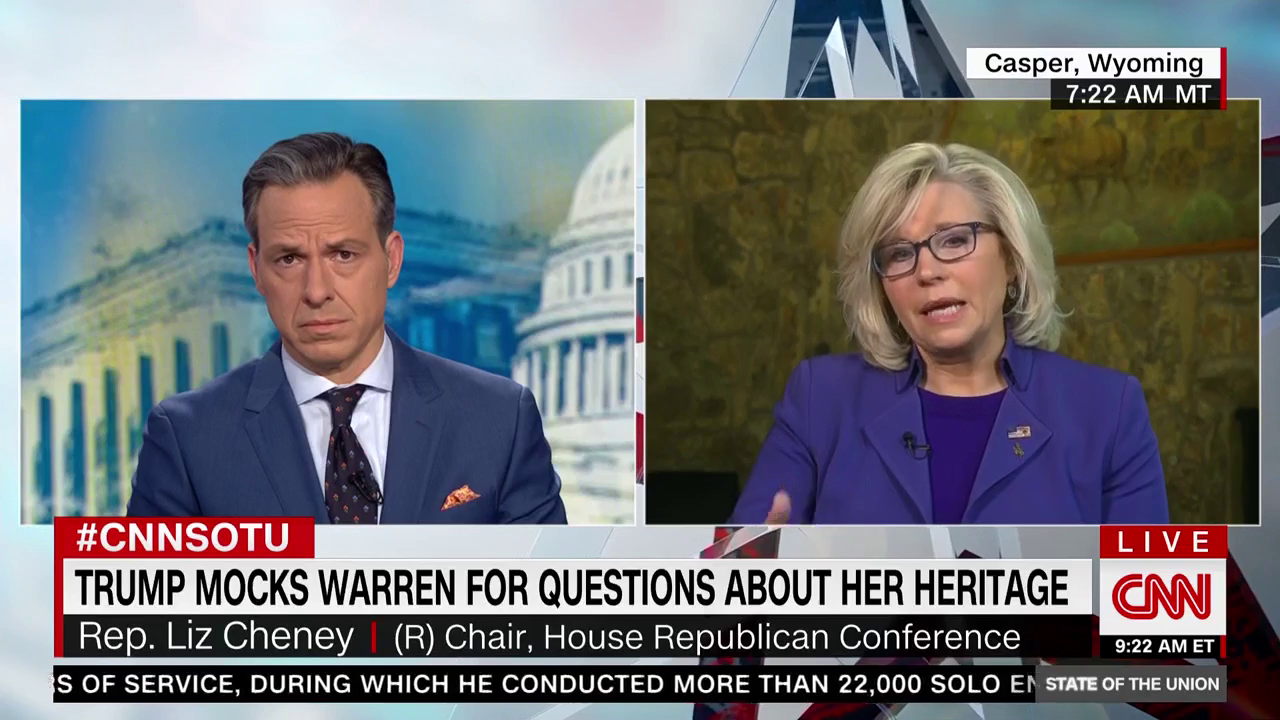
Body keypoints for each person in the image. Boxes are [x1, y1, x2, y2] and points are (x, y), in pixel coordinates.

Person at [127, 132, 567, 524]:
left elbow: (548, 588)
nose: (317, 291)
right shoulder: (187, 440)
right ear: (256, 269)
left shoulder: (499, 421)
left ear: (391, 260)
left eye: (343, 255)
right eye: (289, 259)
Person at [730, 142, 1169, 526]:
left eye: (956, 240)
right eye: (899, 253)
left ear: (1012, 258)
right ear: (881, 286)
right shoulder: (821, 400)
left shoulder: (1108, 411)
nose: (927, 271)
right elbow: (733, 569)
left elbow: (1146, 592)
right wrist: (752, 570)